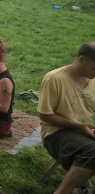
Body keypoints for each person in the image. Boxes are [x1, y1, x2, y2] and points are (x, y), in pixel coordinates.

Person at [37, 42, 95, 194]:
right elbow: (45, 115)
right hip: (55, 133)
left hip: (83, 131)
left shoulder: (93, 80)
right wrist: (79, 126)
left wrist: (84, 128)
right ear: (81, 59)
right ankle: (63, 191)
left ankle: (85, 187)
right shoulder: (54, 79)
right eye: (94, 68)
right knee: (93, 150)